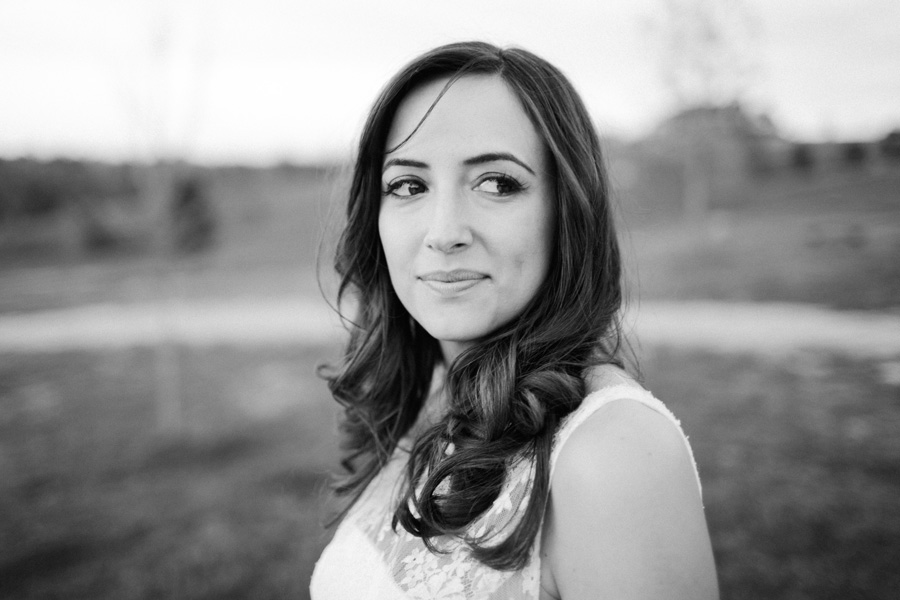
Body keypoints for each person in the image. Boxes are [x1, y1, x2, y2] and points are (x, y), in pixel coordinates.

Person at [310, 41, 718, 600]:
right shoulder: (436, 397)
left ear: (567, 211)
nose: (444, 232)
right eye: (408, 185)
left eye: (497, 183)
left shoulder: (614, 454)